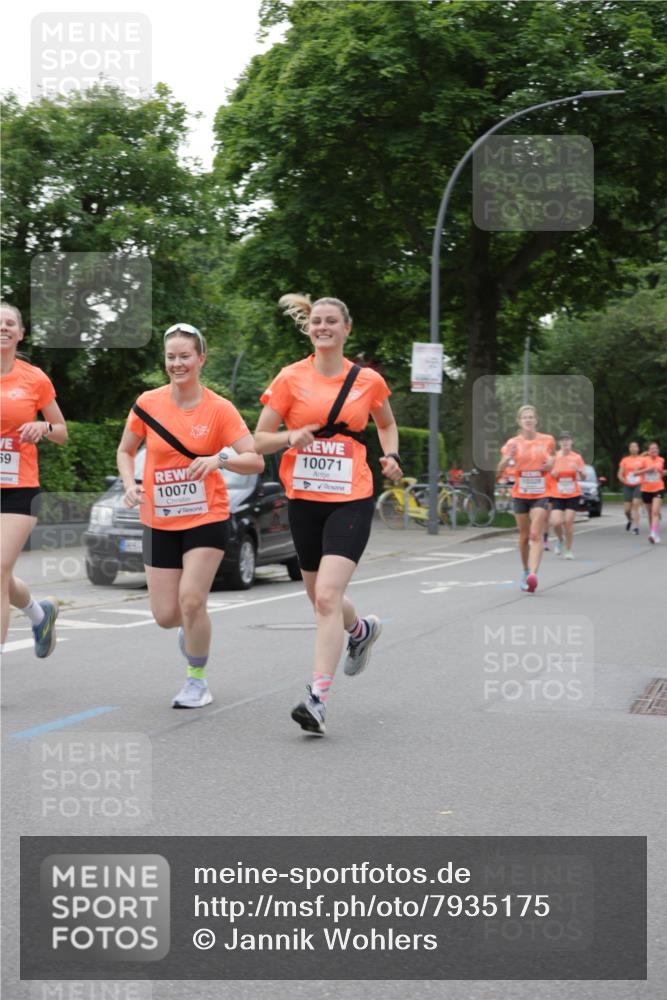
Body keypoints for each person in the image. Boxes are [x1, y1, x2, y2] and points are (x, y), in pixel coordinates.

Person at [254, 294, 402, 735]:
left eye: (331, 321)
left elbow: (386, 423)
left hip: (351, 496)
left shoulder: (368, 381)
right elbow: (256, 439)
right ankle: (359, 631)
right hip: (303, 497)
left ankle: (317, 698)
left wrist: (391, 455)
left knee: (325, 598)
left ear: (346, 329)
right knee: (320, 596)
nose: (323, 327)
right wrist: (289, 437)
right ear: (310, 328)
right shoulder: (289, 378)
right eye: (316, 321)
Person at [116, 323, 264, 708]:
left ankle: (196, 680)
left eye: (185, 356)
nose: (177, 364)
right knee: (167, 615)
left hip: (206, 516)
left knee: (192, 600)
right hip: (158, 518)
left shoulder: (219, 409)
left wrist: (219, 458)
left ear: (201, 358)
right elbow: (125, 450)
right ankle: (190, 630)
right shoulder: (148, 403)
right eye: (171, 357)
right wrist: (130, 483)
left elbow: (255, 459)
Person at [1, 302, 68, 660]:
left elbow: (61, 432)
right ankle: (39, 614)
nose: (3, 328)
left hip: (18, 489)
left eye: (10, 323)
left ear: (20, 333)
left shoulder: (34, 378)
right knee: (2, 573)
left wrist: (43, 426)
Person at [498, 405, 555, 593]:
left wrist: (551, 464)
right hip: (520, 494)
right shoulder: (512, 443)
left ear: (536, 420)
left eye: (531, 417)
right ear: (519, 421)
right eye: (525, 418)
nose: (528, 420)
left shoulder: (547, 440)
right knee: (523, 537)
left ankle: (533, 575)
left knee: (534, 534)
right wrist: (508, 458)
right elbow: (500, 468)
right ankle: (524, 570)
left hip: (541, 493)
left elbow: (552, 461)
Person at [548, 432, 586, 558]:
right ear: (559, 443)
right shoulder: (554, 457)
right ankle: (560, 539)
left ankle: (568, 550)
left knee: (568, 521)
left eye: (567, 440)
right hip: (557, 493)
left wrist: (579, 470)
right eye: (563, 440)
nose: (565, 442)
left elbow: (584, 476)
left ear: (571, 442)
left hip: (572, 493)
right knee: (556, 522)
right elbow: (547, 474)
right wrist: (551, 474)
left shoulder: (577, 457)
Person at [637, 442, 665, 544]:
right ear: (648, 451)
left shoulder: (661, 460)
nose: (654, 450)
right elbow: (636, 471)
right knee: (650, 514)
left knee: (655, 512)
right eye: (652, 449)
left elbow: (659, 470)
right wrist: (645, 469)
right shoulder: (644, 460)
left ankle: (653, 534)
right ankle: (654, 533)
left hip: (658, 488)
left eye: (656, 448)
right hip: (646, 490)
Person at [618, 442, 643, 535]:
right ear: (629, 449)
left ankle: (636, 528)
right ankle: (630, 520)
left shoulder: (642, 459)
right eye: (631, 447)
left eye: (635, 446)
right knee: (627, 510)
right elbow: (620, 473)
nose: (633, 448)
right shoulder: (625, 460)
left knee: (636, 505)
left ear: (638, 448)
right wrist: (622, 479)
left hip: (638, 484)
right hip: (627, 485)